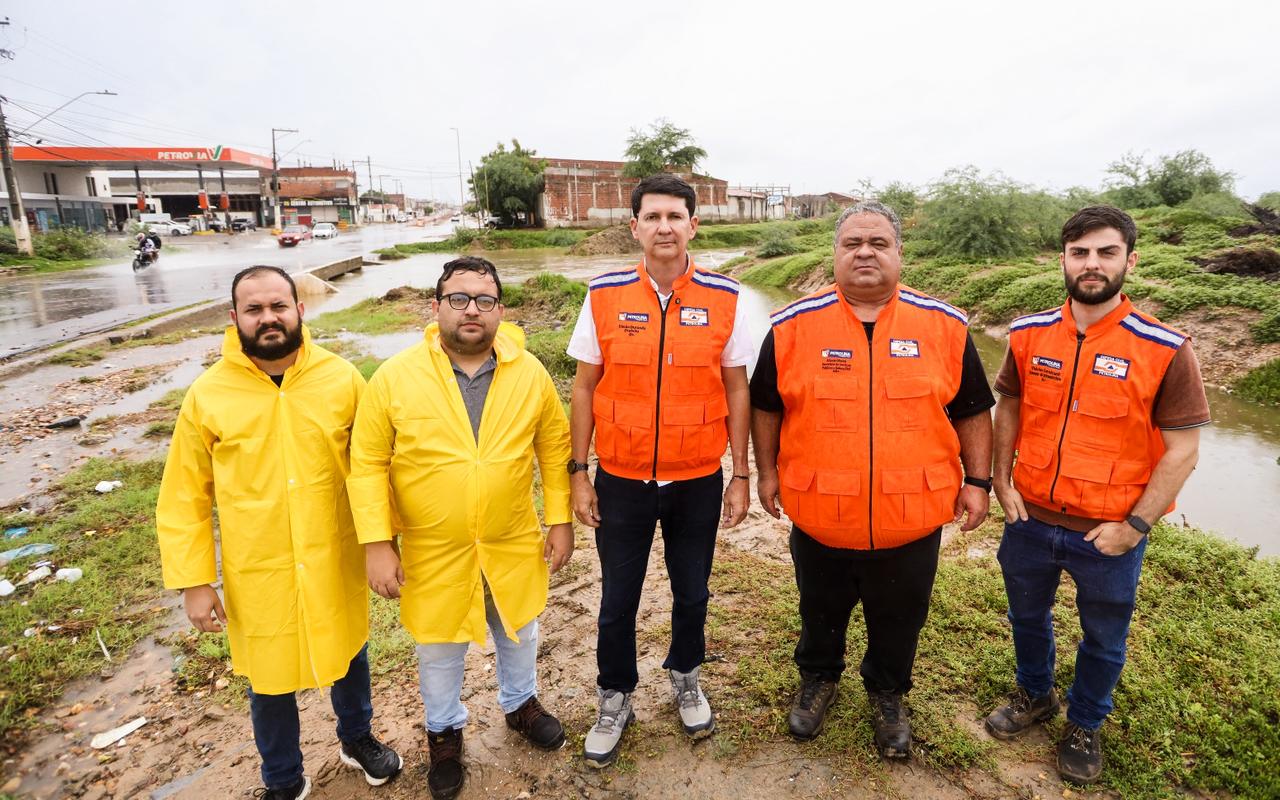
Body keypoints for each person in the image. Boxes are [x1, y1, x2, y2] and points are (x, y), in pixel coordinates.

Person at [750, 200, 994, 759]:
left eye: (878, 243)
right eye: (852, 243)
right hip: (821, 512)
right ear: (834, 254)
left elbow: (974, 408)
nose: (865, 252)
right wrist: (766, 472)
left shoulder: (945, 326)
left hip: (912, 516)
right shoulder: (791, 327)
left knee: (900, 615)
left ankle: (888, 693)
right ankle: (818, 680)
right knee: (819, 608)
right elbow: (766, 405)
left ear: (899, 253)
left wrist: (977, 480)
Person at [155, 266, 401, 800]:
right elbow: (183, 496)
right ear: (235, 318)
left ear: (300, 309)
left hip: (333, 551)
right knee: (267, 678)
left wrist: (382, 539)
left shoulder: (341, 379)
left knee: (349, 651)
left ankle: (356, 739)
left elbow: (373, 466)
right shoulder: (208, 395)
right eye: (255, 309)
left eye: (278, 306)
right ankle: (283, 778)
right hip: (259, 565)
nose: (268, 318)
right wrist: (196, 581)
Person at [984, 205, 1209, 785]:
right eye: (1080, 252)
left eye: (1106, 252)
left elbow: (1182, 450)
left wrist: (1135, 525)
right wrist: (1002, 479)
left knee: (1104, 636)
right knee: (1026, 616)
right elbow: (1009, 404)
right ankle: (1035, 695)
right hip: (1029, 518)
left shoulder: (1165, 348)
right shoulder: (1029, 334)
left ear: (1129, 261)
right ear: (1062, 259)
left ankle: (1085, 723)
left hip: (1107, 532)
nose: (1092, 264)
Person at [348, 257, 573, 800]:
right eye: (458, 298)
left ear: (500, 310)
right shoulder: (397, 377)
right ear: (436, 307)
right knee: (439, 647)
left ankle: (520, 704)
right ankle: (444, 733)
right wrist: (378, 544)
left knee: (519, 627)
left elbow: (554, 448)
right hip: (434, 547)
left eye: (485, 300)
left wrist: (560, 520)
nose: (471, 310)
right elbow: (368, 463)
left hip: (510, 538)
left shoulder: (530, 373)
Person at [568, 173, 754, 768]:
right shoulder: (602, 295)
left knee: (692, 591)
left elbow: (737, 388)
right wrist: (579, 471)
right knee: (617, 597)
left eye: (676, 216)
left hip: (697, 477)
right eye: (652, 217)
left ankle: (686, 675)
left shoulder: (726, 298)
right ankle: (614, 693)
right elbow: (583, 385)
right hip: (621, 479)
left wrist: (741, 473)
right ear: (635, 228)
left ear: (693, 225)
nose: (664, 227)